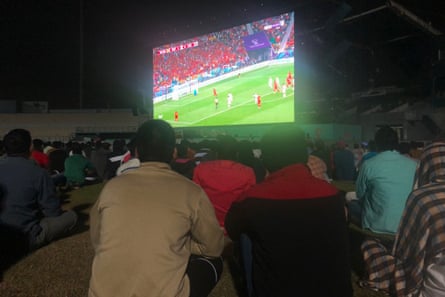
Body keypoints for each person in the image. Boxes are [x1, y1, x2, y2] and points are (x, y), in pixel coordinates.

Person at [89, 119, 224, 297]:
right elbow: (213, 248)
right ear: (173, 152)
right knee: (214, 263)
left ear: (137, 151)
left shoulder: (111, 187)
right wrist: (183, 245)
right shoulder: (191, 191)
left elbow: (98, 240)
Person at [225, 124, 352, 297]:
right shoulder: (332, 193)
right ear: (303, 156)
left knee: (246, 236)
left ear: (266, 159)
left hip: (278, 288)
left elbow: (232, 228)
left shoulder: (254, 198)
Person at [360, 141, 445, 296]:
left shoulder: (422, 197)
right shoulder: (409, 165)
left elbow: (406, 253)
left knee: (370, 245)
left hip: (434, 289)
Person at [0, 129, 77, 251]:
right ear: (30, 146)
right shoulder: (38, 173)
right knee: (71, 217)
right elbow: (53, 212)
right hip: (23, 239)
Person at [350, 126, 417, 234]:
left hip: (375, 226)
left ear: (376, 143)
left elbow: (359, 194)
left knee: (351, 204)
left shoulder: (369, 164)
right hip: (405, 225)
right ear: (397, 142)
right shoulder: (414, 165)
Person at [193, 135, 256, 233]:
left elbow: (195, 200)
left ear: (216, 153)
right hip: (236, 229)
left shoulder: (200, 169)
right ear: (237, 153)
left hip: (208, 228)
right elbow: (249, 204)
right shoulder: (247, 172)